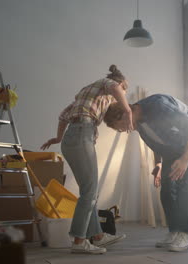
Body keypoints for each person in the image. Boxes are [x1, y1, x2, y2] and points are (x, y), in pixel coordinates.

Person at [40, 65, 132, 254]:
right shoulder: (109, 84)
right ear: (121, 83)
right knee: (90, 192)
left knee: (88, 191)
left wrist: (58, 138)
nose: (122, 94)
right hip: (82, 134)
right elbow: (116, 89)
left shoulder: (87, 92)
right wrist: (128, 111)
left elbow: (63, 115)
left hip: (72, 139)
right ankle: (79, 241)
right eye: (124, 89)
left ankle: (97, 236)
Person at [103, 94, 188, 252]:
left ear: (125, 114)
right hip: (172, 150)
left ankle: (184, 235)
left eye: (120, 127)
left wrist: (185, 159)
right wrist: (158, 165)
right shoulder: (138, 123)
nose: (123, 131)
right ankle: (174, 232)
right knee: (166, 190)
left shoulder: (159, 106)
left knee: (184, 187)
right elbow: (156, 143)